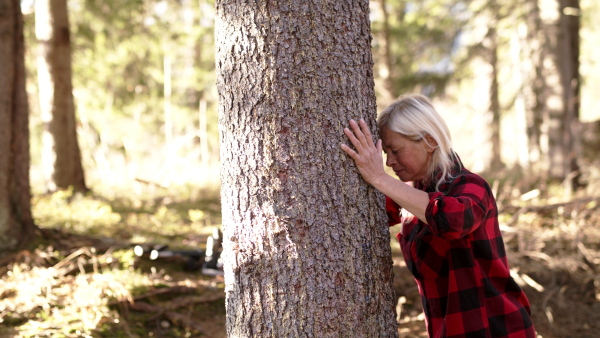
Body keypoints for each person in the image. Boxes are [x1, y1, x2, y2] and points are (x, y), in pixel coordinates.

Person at [340, 94, 535, 338]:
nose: (389, 162)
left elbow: (450, 220)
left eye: (396, 151)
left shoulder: (472, 187)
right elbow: (362, 212)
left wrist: (379, 178)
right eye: (385, 152)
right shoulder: (413, 193)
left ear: (430, 141)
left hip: (496, 329)